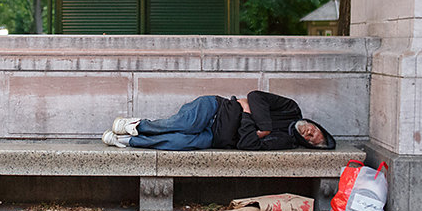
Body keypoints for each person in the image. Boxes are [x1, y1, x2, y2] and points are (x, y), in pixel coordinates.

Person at [101, 90, 336, 151]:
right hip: (214, 108)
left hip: (214, 138)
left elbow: (247, 144)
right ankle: (137, 126)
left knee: (177, 143)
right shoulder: (291, 108)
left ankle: (126, 142)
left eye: (311, 140)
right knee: (186, 125)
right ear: (316, 126)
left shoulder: (285, 141)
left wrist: (246, 112)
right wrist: (261, 127)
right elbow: (256, 96)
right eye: (314, 132)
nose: (308, 133)